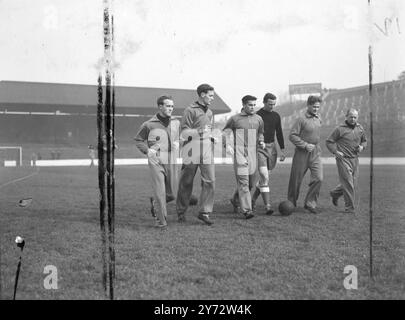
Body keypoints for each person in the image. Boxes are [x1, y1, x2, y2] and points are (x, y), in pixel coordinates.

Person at [135, 95, 181, 228]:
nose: (171, 108)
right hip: (156, 161)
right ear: (160, 106)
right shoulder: (148, 124)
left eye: (172, 106)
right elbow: (138, 140)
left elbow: (179, 137)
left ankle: (155, 203)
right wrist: (147, 151)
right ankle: (161, 221)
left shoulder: (176, 122)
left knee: (172, 194)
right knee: (160, 192)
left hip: (171, 160)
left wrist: (178, 142)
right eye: (168, 106)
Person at [176, 84, 216, 225]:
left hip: (206, 151)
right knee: (186, 182)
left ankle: (204, 212)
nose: (212, 98)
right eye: (210, 95)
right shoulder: (189, 110)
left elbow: (207, 130)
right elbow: (184, 132)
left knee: (210, 181)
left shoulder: (210, 112)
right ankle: (181, 212)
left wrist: (211, 137)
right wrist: (199, 131)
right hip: (191, 149)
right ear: (202, 94)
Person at [223, 95, 264, 219]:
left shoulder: (259, 119)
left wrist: (261, 141)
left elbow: (261, 132)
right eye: (250, 105)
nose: (253, 107)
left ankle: (235, 199)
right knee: (243, 182)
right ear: (244, 105)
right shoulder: (235, 119)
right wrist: (227, 145)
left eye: (254, 105)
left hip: (253, 153)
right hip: (239, 153)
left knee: (251, 183)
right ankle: (247, 210)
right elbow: (225, 132)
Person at [326, 108, 367, 214]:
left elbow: (364, 141)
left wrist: (362, 147)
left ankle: (335, 193)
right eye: (351, 117)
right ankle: (349, 208)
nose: (353, 119)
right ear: (346, 117)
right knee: (348, 184)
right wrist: (335, 151)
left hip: (355, 159)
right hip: (343, 160)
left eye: (355, 117)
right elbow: (329, 142)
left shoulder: (360, 128)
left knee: (352, 184)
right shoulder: (339, 129)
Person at [251, 93, 286, 215]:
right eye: (270, 104)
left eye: (274, 104)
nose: (272, 106)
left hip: (272, 149)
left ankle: (251, 200)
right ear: (264, 102)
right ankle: (268, 206)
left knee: (264, 178)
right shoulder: (257, 116)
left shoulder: (276, 116)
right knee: (264, 176)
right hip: (259, 147)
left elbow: (279, 132)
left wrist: (282, 149)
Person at [287, 95, 323, 214]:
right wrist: (305, 145)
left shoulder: (319, 118)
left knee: (318, 178)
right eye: (314, 106)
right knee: (295, 180)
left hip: (315, 153)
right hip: (302, 153)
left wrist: (314, 146)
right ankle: (291, 203)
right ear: (308, 105)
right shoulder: (301, 119)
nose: (316, 109)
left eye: (318, 107)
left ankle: (310, 203)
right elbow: (292, 135)